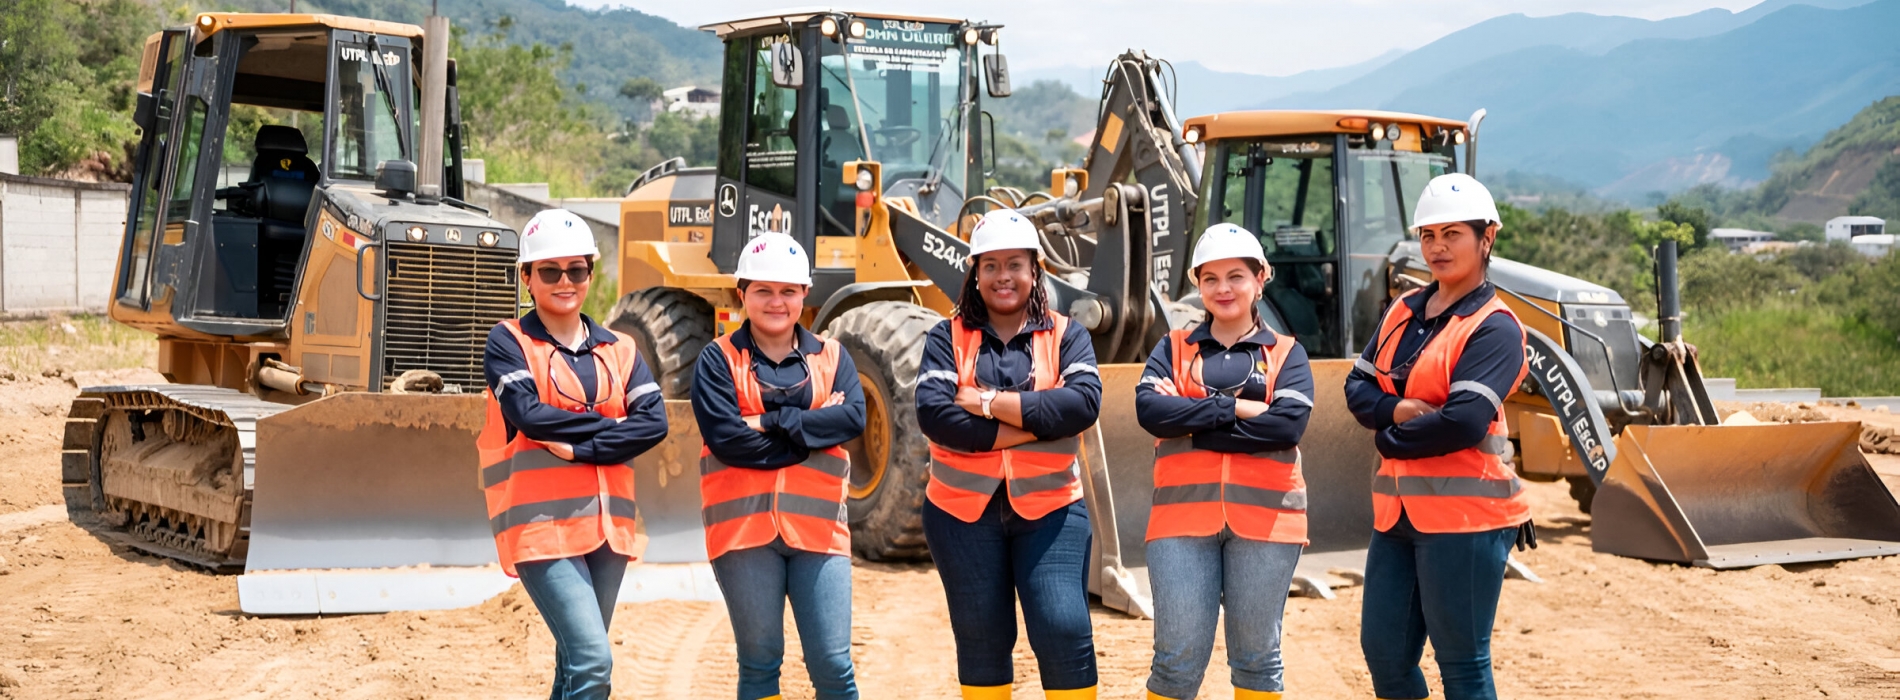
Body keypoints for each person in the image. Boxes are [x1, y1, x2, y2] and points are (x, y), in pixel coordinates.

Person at [1343, 173, 1534, 700]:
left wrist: (1385, 437)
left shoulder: (1494, 327)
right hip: (1398, 515)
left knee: (1462, 665)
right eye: (1429, 235)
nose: (1438, 247)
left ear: (1486, 237)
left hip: (1467, 519)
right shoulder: (1403, 311)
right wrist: (1399, 408)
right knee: (1383, 655)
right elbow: (1356, 388)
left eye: (1453, 234)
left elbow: (1464, 421)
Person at [478, 209, 670, 700]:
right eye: (549, 270)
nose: (565, 281)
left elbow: (655, 423)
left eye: (576, 269)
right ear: (526, 277)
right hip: (541, 529)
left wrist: (583, 445)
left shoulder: (620, 348)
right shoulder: (509, 342)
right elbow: (528, 414)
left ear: (590, 272)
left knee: (572, 667)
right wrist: (615, 428)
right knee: (592, 659)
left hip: (608, 529)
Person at [915, 209, 1103, 700]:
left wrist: (983, 401)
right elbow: (935, 417)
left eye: (1015, 264)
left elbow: (1081, 405)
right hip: (960, 513)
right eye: (991, 265)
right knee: (981, 637)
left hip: (1052, 509)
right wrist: (1034, 428)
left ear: (1035, 270)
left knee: (1063, 627)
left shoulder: (1067, 335)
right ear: (975, 273)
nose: (1003, 277)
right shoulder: (945, 337)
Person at [1135, 224, 1315, 700]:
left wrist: (1191, 421)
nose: (1223, 288)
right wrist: (1233, 408)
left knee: (1257, 657)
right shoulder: (1173, 347)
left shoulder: (1288, 354)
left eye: (1236, 276)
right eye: (1210, 278)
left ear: (1261, 278)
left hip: (1266, 523)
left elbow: (1285, 427)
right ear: (1198, 284)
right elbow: (1152, 412)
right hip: (1180, 524)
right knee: (1175, 660)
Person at [690, 232, 866, 700]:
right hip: (743, 533)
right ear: (741, 293)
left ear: (805, 294)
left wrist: (769, 421)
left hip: (821, 533)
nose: (776, 301)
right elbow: (728, 440)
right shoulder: (717, 360)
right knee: (760, 660)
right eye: (763, 290)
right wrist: (811, 432)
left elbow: (852, 418)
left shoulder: (831, 356)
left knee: (832, 664)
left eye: (788, 291)